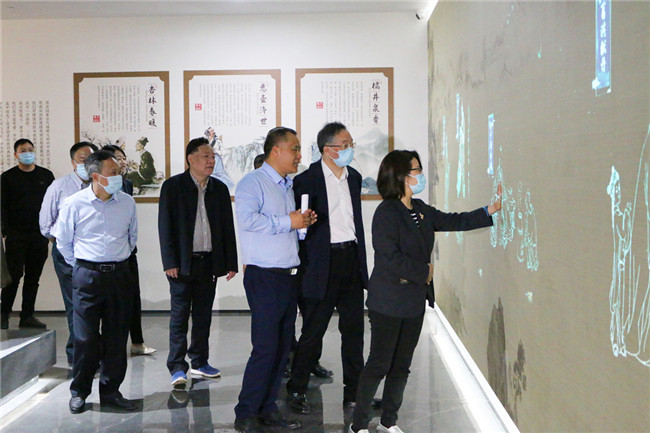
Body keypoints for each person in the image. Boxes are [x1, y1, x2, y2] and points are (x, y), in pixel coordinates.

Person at [349, 150, 502, 433]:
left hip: (413, 302)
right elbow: (389, 257)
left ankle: (388, 422)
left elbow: (453, 220)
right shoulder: (386, 212)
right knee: (379, 364)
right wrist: (425, 272)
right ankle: (358, 425)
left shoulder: (420, 209)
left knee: (401, 366)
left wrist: (488, 211)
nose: (421, 175)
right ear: (401, 176)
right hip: (388, 301)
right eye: (416, 170)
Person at [233, 127, 317, 433]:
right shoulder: (252, 183)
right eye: (294, 149)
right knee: (266, 348)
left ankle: (268, 408)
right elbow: (247, 220)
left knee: (282, 349)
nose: (299, 155)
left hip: (287, 276)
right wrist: (288, 221)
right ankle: (245, 412)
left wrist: (301, 222)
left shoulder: (287, 185)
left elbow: (284, 228)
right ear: (275, 151)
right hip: (265, 276)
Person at [286, 122, 368, 414]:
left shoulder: (354, 177)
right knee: (313, 330)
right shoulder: (306, 180)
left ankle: (354, 392)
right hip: (320, 263)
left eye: (350, 144)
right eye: (345, 145)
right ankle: (297, 387)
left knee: (354, 331)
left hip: (351, 259)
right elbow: (299, 227)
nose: (350, 149)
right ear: (328, 149)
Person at [53, 150, 138, 414]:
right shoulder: (74, 203)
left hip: (119, 275)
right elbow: (63, 242)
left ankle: (111, 392)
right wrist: (83, 266)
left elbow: (132, 238)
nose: (118, 176)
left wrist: (115, 260)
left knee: (117, 337)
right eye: (113, 173)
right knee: (86, 338)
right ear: (96, 177)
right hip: (87, 276)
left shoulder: (127, 202)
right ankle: (79, 391)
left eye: (119, 172)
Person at [158, 137, 238, 388]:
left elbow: (227, 228)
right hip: (182, 263)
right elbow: (165, 226)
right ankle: (176, 366)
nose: (211, 161)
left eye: (213, 157)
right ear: (190, 159)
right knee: (180, 316)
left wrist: (231, 262)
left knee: (204, 316)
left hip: (208, 262)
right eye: (206, 156)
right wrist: (169, 261)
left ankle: (200, 362)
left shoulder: (219, 189)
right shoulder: (173, 186)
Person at [39, 141, 97, 362]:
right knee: (76, 304)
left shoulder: (100, 185)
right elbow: (46, 224)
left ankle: (88, 351)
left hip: (94, 254)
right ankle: (79, 355)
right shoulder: (59, 186)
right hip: (67, 254)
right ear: (73, 163)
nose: (87, 164)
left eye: (91, 160)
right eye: (83, 160)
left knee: (93, 305)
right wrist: (62, 242)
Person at [103, 144, 157, 356]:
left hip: (127, 252)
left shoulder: (126, 184)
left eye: (123, 158)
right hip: (107, 256)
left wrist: (130, 246)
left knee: (133, 297)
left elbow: (131, 222)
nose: (122, 162)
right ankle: (107, 347)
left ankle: (137, 342)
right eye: (117, 158)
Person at [1, 138, 54, 329]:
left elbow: (53, 204)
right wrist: (5, 231)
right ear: (16, 154)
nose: (27, 153)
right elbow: (2, 206)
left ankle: (27, 316)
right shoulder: (7, 177)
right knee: (13, 277)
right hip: (16, 235)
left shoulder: (46, 175)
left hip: (39, 235)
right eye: (23, 150)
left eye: (30, 149)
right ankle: (3, 314)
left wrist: (51, 230)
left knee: (33, 278)